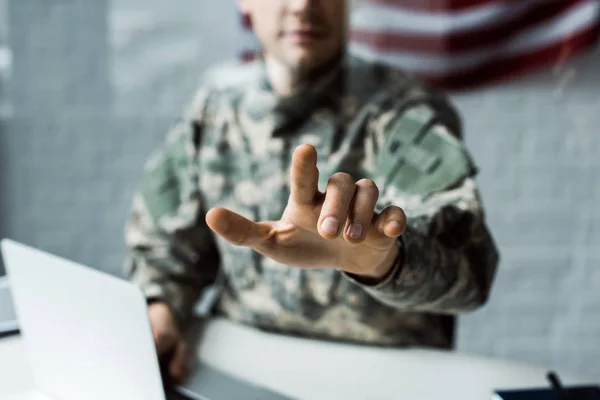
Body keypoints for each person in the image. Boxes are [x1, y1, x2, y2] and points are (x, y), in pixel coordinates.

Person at [124, 0, 499, 383]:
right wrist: (161, 316)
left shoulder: (403, 111)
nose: (303, 6)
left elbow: (470, 272)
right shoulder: (213, 112)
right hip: (241, 367)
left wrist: (385, 264)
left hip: (382, 378)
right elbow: (164, 251)